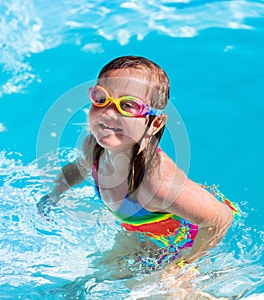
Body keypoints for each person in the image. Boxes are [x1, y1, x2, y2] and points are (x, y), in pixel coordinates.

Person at [37, 55, 237, 275]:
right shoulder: (92, 148)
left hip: (188, 237)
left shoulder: (157, 184)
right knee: (99, 275)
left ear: (155, 124)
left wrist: (186, 265)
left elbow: (220, 218)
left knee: (164, 291)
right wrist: (55, 193)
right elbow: (77, 169)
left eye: (128, 105)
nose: (108, 112)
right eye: (101, 98)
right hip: (143, 230)